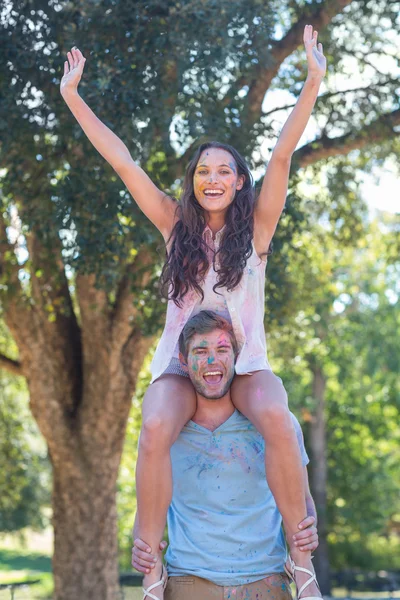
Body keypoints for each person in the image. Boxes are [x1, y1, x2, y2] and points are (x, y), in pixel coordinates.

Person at [60, 24, 326, 600]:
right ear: (193, 181)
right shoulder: (173, 226)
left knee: (278, 419)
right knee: (155, 425)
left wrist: (313, 81)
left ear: (238, 182)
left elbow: (283, 152)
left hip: (245, 364)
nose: (213, 178)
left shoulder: (257, 232)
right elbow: (124, 162)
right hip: (182, 367)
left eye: (224, 171)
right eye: (204, 171)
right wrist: (73, 97)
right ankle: (152, 568)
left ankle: (300, 561)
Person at [132, 311, 319, 600]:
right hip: (188, 583)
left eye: (222, 350)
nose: (212, 361)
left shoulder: (277, 424)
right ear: (184, 360)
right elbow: (147, 503)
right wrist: (142, 547)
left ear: (236, 357)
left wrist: (308, 528)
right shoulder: (168, 429)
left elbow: (304, 498)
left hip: (265, 582)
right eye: (201, 351)